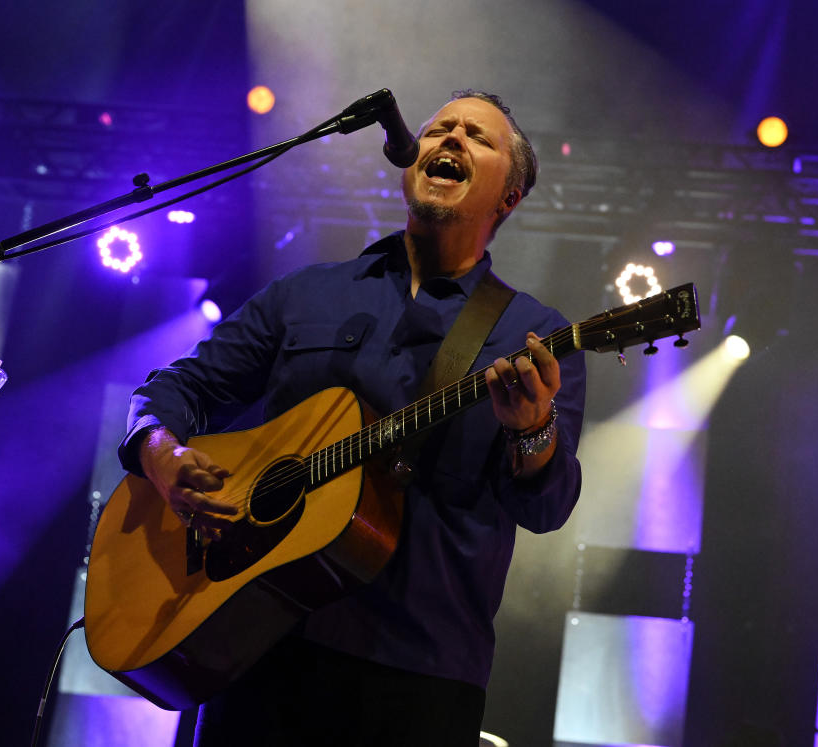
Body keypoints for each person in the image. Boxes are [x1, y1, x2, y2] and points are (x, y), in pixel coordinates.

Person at [118, 90, 586, 746]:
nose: (449, 139)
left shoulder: (533, 333)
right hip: (255, 644)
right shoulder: (307, 292)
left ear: (509, 195)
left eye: (476, 137)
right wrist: (160, 455)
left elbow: (546, 505)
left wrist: (531, 429)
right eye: (437, 129)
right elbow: (173, 388)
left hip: (416, 674)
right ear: (408, 161)